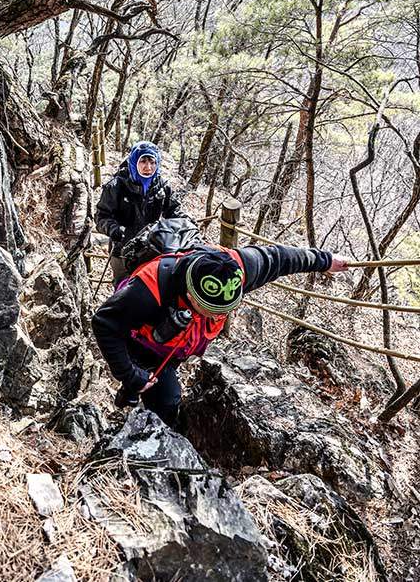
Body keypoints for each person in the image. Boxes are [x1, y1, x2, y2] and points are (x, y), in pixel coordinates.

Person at [92, 241, 349, 426]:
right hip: (143, 346)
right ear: (190, 293)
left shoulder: (235, 269)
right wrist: (130, 374)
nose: (215, 317)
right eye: (208, 309)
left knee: (162, 397)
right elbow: (105, 323)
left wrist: (324, 261)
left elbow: (279, 258)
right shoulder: (148, 289)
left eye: (222, 311)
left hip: (177, 348)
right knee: (166, 402)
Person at [95, 141, 189, 284]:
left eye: (152, 161)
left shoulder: (162, 186)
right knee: (124, 290)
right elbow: (101, 216)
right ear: (133, 161)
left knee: (149, 291)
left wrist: (188, 224)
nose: (148, 167)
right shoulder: (116, 186)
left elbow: (174, 211)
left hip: (152, 248)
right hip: (122, 250)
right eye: (143, 161)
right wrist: (114, 229)